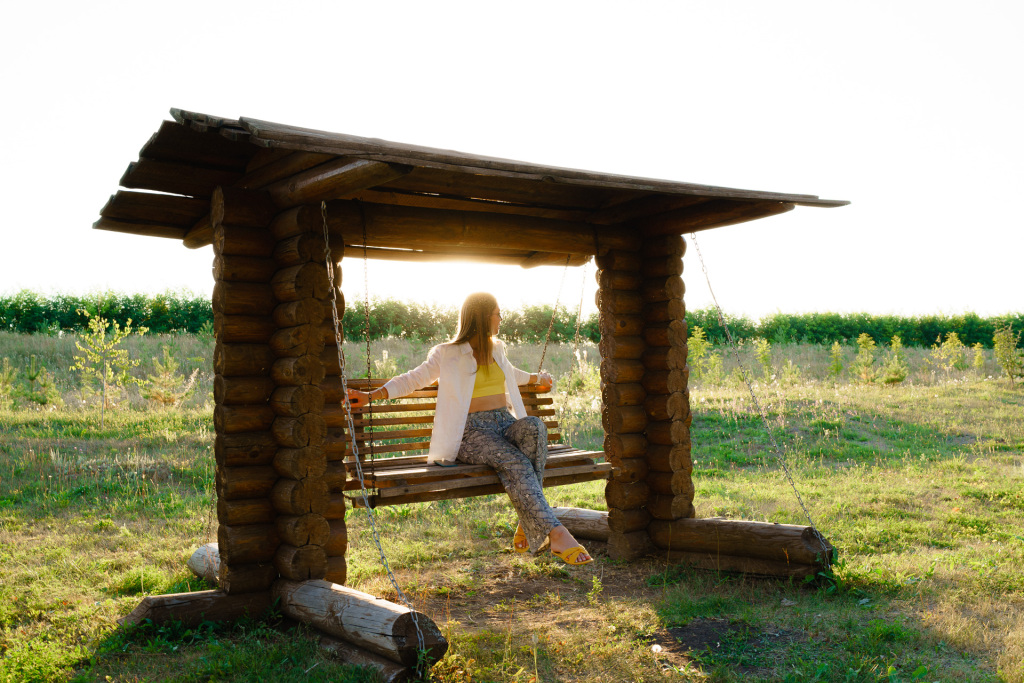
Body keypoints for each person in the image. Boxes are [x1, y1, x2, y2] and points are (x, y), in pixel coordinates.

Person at [347, 292, 593, 565]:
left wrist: (539, 378)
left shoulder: (497, 348)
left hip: (504, 423)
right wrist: (374, 395)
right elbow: (414, 378)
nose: (501, 319)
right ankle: (557, 533)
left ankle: (530, 517)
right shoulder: (447, 353)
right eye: (498, 313)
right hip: (471, 433)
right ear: (483, 316)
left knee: (535, 426)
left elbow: (513, 374)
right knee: (515, 461)